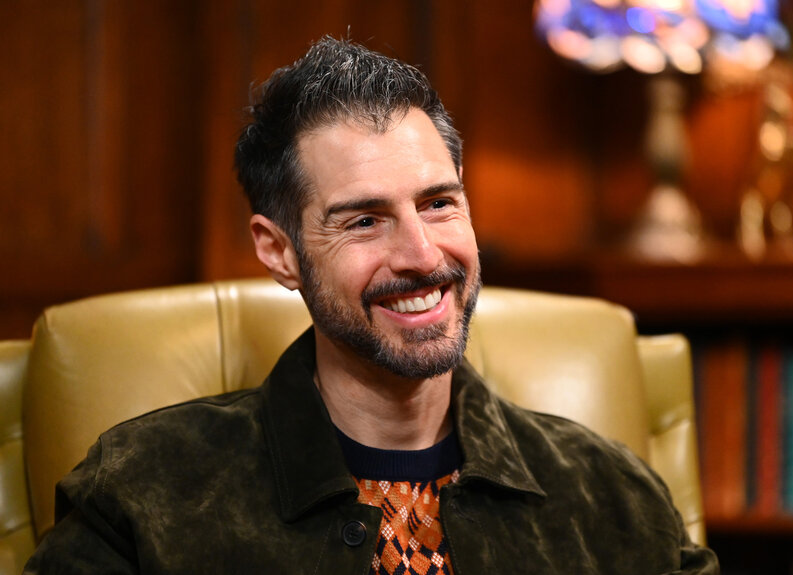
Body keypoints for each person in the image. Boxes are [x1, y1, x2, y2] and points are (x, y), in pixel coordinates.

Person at [24, 36, 719, 574]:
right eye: (364, 220)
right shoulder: (142, 496)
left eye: (438, 203)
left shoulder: (615, 498)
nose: (422, 254)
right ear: (278, 250)